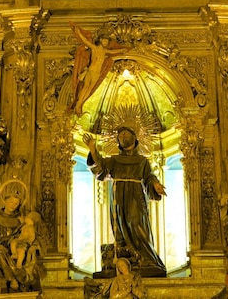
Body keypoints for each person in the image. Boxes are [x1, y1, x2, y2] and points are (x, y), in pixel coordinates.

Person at [84, 127, 167, 276]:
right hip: (117, 196)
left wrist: (155, 185)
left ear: (135, 138)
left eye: (126, 133)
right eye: (120, 134)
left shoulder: (142, 161)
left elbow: (149, 177)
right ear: (117, 141)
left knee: (136, 224)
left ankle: (146, 258)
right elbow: (100, 168)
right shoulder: (114, 160)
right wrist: (92, 148)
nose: (123, 135)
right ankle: (126, 259)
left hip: (135, 196)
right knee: (120, 227)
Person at [0, 180, 41, 292]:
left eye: (16, 204)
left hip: (17, 248)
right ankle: (12, 279)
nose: (13, 205)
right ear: (5, 201)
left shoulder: (21, 220)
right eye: (11, 202)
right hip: (1, 248)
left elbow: (29, 234)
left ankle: (20, 275)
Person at [70, 23, 128, 115]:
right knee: (86, 87)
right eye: (104, 41)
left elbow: (113, 51)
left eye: (106, 42)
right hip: (91, 71)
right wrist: (79, 33)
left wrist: (121, 50)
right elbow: (85, 41)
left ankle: (80, 104)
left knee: (89, 90)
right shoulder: (94, 48)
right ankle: (78, 104)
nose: (105, 43)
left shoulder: (105, 51)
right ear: (101, 40)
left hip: (96, 73)